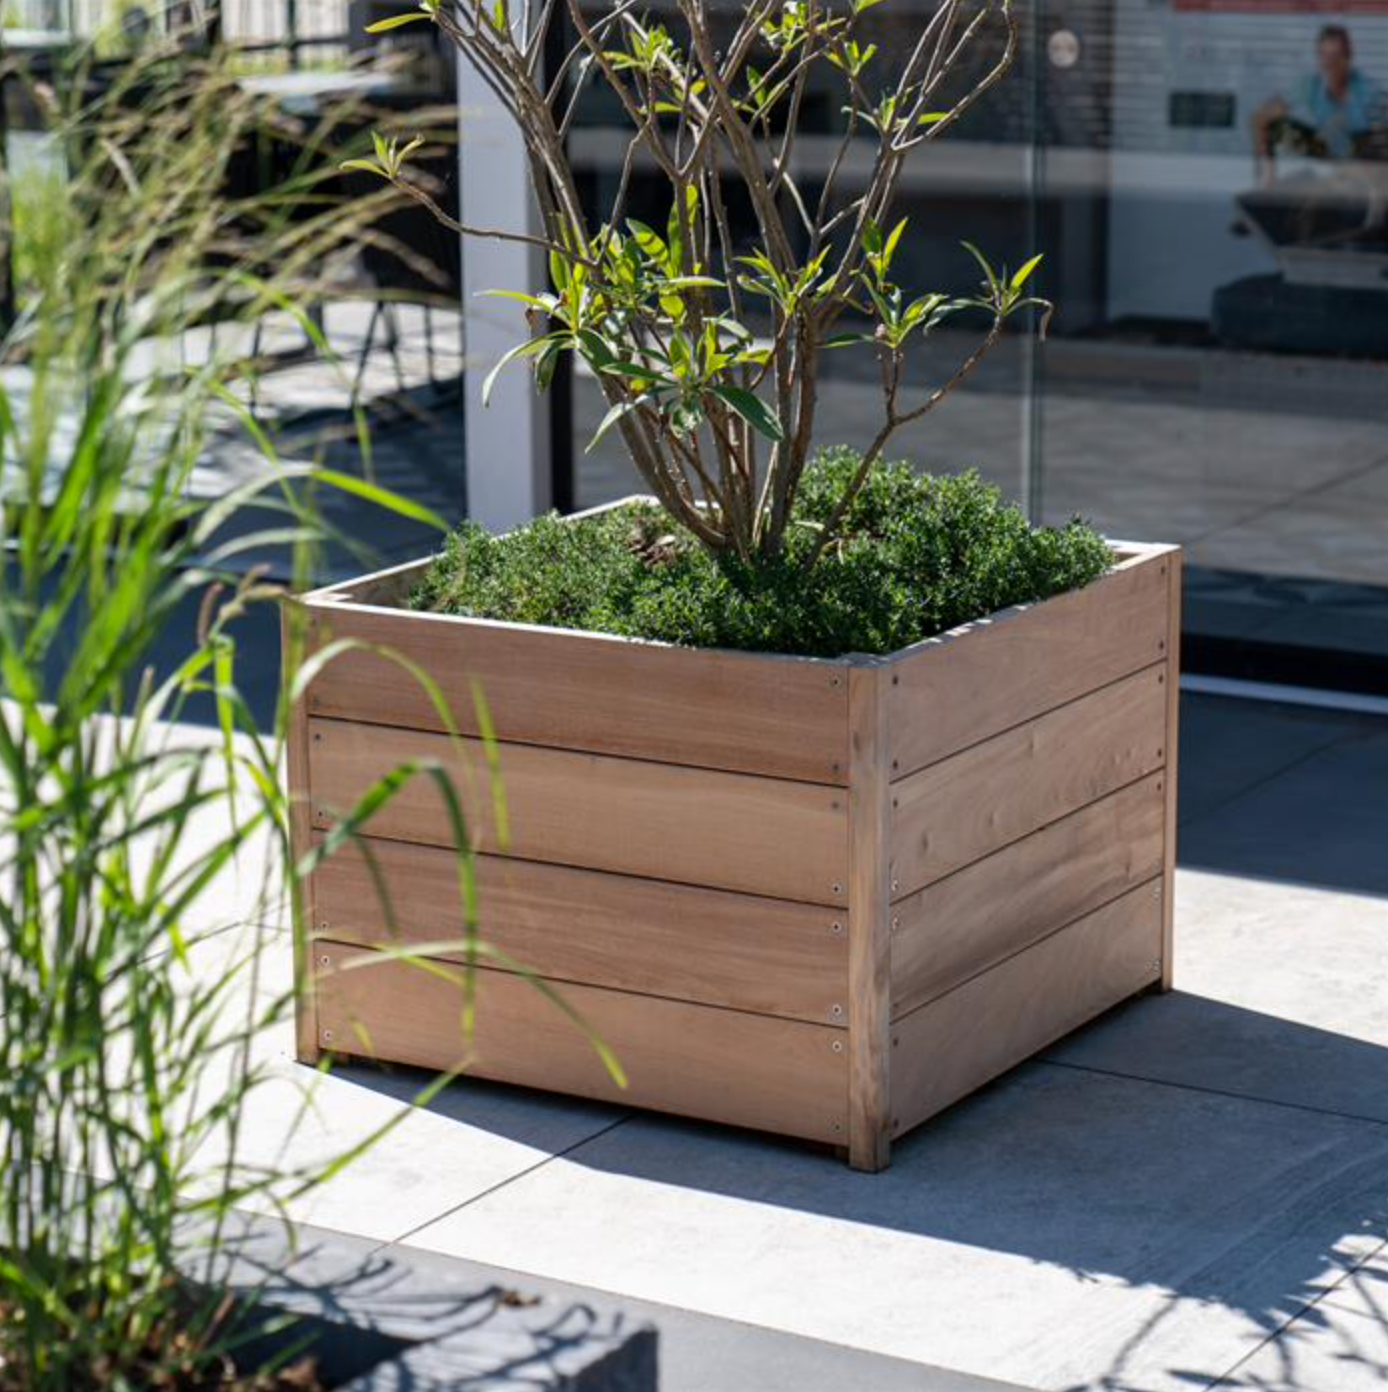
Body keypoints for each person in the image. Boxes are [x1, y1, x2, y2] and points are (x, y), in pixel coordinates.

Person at [1252, 26, 1383, 181]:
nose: (1329, 64)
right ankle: (1268, 181)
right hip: (1327, 145)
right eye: (1324, 56)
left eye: (1335, 56)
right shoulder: (1310, 85)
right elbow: (1261, 118)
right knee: (1272, 125)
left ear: (1348, 58)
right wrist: (1268, 172)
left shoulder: (1369, 91)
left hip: (1362, 154)